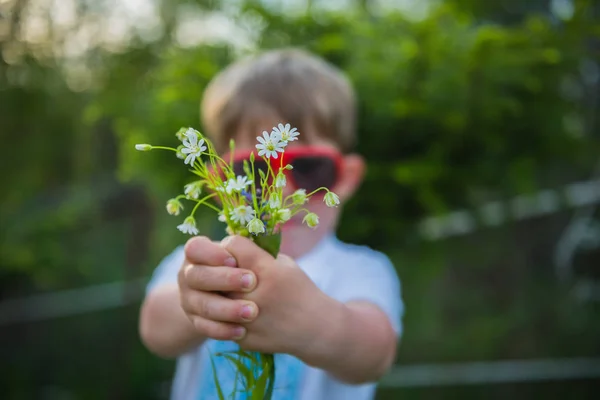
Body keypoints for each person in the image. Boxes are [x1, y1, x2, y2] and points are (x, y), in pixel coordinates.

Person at [139, 48, 404, 400]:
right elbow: (155, 329)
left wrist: (316, 323)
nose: (280, 190)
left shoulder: (361, 270)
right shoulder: (202, 263)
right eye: (255, 172)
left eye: (308, 169)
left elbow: (374, 353)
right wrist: (197, 299)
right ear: (219, 183)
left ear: (346, 177)